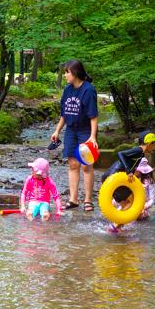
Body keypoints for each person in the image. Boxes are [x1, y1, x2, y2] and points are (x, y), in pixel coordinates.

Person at [50, 60, 99, 212]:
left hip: (85, 131)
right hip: (71, 130)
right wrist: (57, 131)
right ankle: (73, 199)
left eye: (67, 72)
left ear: (76, 73)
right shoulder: (67, 90)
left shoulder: (88, 90)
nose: (65, 75)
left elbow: (93, 116)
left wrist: (93, 136)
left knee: (86, 165)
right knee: (72, 164)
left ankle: (88, 200)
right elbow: (64, 114)